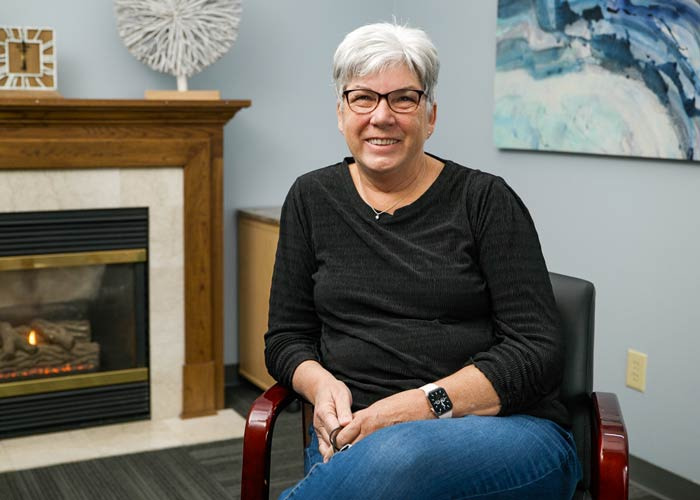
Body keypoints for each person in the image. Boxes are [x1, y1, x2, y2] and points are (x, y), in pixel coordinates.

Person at [264, 22, 582, 499]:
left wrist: (416, 407)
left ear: (430, 116)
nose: (381, 116)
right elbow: (286, 337)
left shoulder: (486, 201)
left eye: (403, 99)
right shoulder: (311, 198)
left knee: (398, 457)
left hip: (502, 432)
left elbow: (536, 352)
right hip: (356, 434)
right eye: (363, 98)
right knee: (384, 462)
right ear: (341, 112)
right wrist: (321, 384)